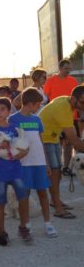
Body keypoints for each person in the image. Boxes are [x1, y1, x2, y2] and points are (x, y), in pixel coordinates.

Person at [0, 97, 31, 243]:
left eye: (2, 109)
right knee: (0, 201)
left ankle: (23, 227)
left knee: (23, 197)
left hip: (15, 168)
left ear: (9, 111)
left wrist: (24, 153)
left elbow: (24, 146)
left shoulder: (15, 128)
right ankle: (1, 232)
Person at [9, 88, 57, 237]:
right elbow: (11, 142)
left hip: (39, 162)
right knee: (25, 195)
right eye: (38, 104)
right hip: (23, 163)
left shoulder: (37, 119)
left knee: (43, 192)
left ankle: (48, 223)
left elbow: (40, 141)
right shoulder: (13, 119)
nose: (39, 108)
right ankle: (26, 224)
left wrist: (47, 163)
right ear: (29, 104)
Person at [38, 85, 84, 219]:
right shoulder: (63, 109)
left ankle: (55, 201)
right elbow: (75, 141)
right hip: (45, 140)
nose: (83, 105)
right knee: (54, 173)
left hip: (52, 138)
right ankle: (58, 208)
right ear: (74, 98)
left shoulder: (66, 101)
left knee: (57, 174)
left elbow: (74, 134)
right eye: (82, 102)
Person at [43, 59, 79, 175]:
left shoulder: (73, 81)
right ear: (60, 68)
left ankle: (66, 167)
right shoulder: (51, 81)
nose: (68, 71)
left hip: (71, 116)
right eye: (65, 68)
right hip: (55, 119)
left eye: (69, 68)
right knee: (57, 141)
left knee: (69, 143)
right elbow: (46, 97)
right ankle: (55, 166)